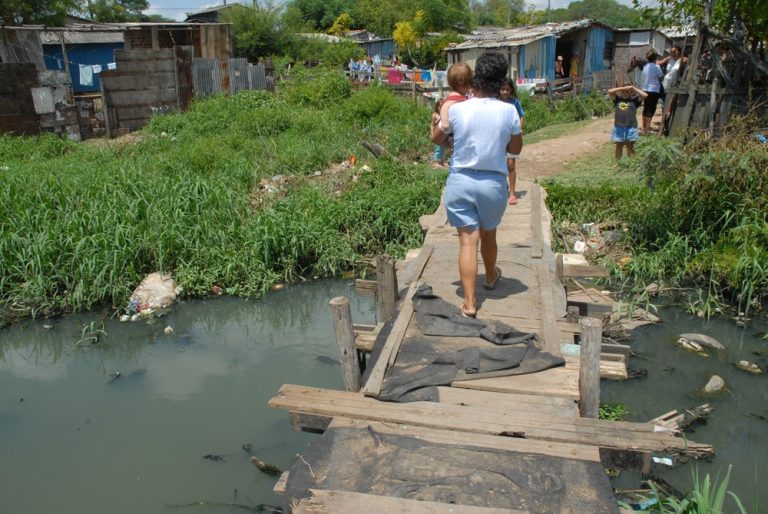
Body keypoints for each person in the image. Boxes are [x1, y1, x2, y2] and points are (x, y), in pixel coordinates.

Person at [430, 52, 523, 318]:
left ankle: (470, 304)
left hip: (460, 181)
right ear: (501, 80)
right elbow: (515, 149)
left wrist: (437, 125)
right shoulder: (509, 110)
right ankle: (491, 277)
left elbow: (437, 139)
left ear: (477, 76)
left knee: (467, 243)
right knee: (488, 234)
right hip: (492, 184)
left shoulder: (457, 109)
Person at [431, 62, 473, 169]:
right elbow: (445, 107)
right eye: (470, 82)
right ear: (463, 84)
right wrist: (445, 121)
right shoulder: (454, 97)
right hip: (450, 134)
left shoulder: (463, 96)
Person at [499, 77, 524, 204]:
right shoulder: (495, 102)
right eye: (502, 89)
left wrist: (519, 129)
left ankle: (512, 193)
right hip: (498, 138)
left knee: (511, 164)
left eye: (507, 89)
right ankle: (503, 187)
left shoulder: (514, 102)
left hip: (511, 138)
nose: (505, 92)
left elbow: (521, 116)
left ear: (511, 90)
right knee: (498, 164)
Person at [608, 83, 647, 160]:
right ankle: (618, 162)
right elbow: (610, 91)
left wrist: (633, 88)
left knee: (630, 146)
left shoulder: (634, 101)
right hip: (619, 127)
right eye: (623, 92)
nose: (625, 93)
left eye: (627, 92)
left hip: (631, 128)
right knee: (619, 146)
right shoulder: (617, 99)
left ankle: (631, 163)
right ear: (621, 92)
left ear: (630, 93)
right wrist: (622, 88)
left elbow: (645, 95)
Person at [640, 50, 663, 134]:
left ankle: (643, 127)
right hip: (654, 90)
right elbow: (661, 77)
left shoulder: (645, 66)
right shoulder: (657, 67)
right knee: (651, 109)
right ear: (655, 58)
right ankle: (647, 128)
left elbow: (643, 77)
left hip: (645, 89)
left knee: (645, 108)